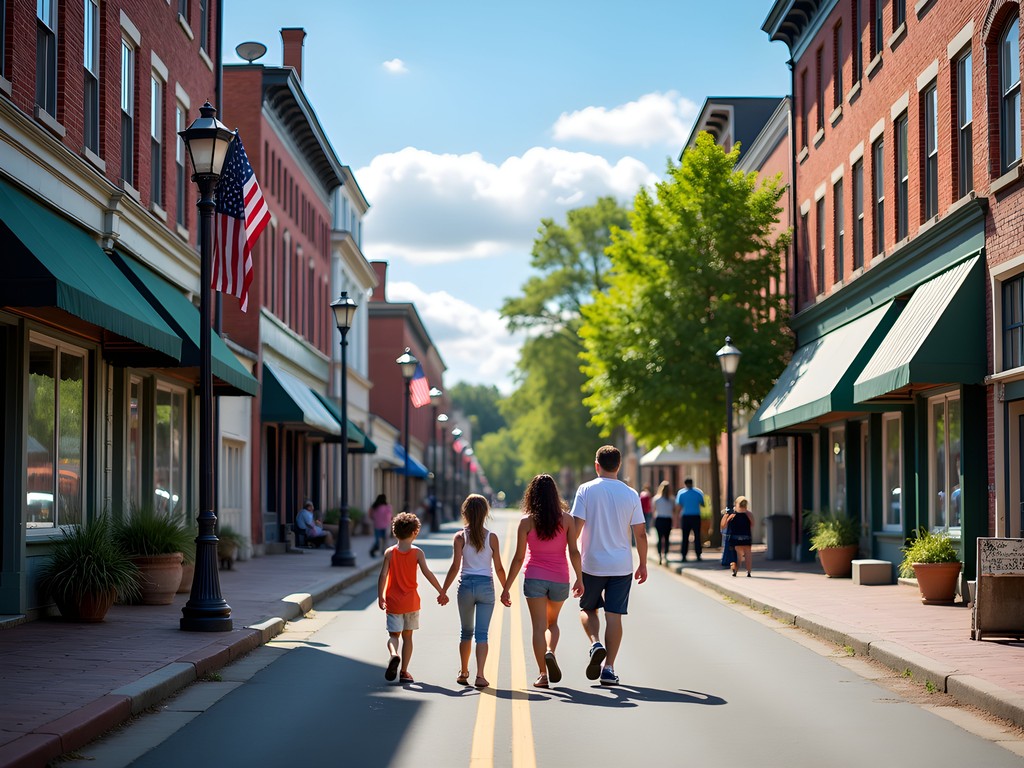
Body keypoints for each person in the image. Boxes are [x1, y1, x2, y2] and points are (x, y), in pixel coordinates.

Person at [571, 445, 647, 686]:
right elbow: (641, 534)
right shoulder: (631, 494)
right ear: (619, 465)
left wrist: (571, 561)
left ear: (597, 465)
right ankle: (609, 668)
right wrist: (642, 563)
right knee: (614, 616)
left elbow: (575, 527)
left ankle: (595, 643)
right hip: (621, 566)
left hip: (591, 564)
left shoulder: (586, 490)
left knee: (587, 609)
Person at [502, 474, 584, 689]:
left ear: (532, 495)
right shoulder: (567, 520)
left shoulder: (526, 522)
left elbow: (519, 558)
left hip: (535, 577)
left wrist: (506, 587)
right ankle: (550, 651)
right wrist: (580, 579)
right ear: (554, 495)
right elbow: (574, 552)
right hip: (560, 578)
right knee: (552, 623)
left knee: (538, 627)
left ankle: (542, 675)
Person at [441, 494, 508, 688]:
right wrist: (505, 590)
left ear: (465, 513)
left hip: (466, 587)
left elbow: (455, 567)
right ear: (486, 512)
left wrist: (443, 590)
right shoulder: (492, 538)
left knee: (466, 632)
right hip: (486, 587)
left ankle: (463, 672)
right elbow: (500, 568)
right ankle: (480, 675)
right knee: (482, 635)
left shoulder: (460, 537)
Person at [377, 512, 449, 683]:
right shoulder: (417, 553)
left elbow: (383, 575)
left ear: (394, 531)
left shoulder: (389, 552)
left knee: (394, 635)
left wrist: (380, 596)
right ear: (415, 532)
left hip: (393, 601)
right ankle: (404, 672)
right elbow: (427, 573)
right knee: (408, 637)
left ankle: (394, 654)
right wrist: (441, 590)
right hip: (411, 602)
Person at [721, 496, 754, 577]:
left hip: (735, 538)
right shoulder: (748, 514)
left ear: (736, 504)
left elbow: (723, 525)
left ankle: (735, 571)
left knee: (737, 556)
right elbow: (752, 524)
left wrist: (725, 515)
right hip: (747, 537)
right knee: (748, 555)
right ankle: (748, 571)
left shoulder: (733, 515)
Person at [675, 478, 705, 562]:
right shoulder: (698, 492)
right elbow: (703, 504)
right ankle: (698, 554)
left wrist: (677, 519)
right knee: (697, 536)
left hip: (686, 516)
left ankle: (684, 555)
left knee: (685, 536)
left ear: (685, 484)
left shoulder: (681, 493)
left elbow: (678, 505)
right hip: (696, 516)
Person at [651, 481, 675, 565]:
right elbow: (673, 511)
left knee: (660, 538)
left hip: (659, 519)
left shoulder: (656, 499)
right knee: (667, 538)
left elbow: (653, 511)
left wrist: (652, 521)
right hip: (667, 520)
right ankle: (665, 555)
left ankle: (660, 555)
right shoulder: (672, 499)